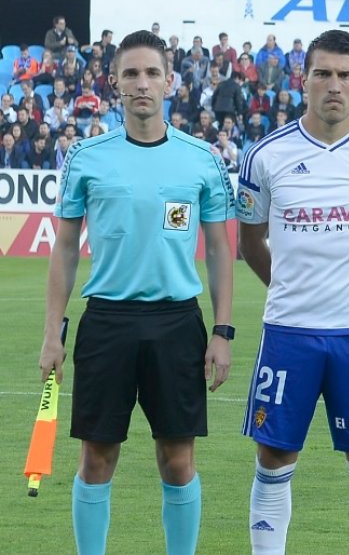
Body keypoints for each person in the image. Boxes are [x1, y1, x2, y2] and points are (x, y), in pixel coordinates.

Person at [38, 30, 235, 555]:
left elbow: (218, 249)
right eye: (131, 74)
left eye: (152, 73)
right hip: (107, 323)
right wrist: (53, 333)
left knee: (178, 460)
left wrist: (221, 331)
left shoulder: (201, 158)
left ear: (170, 82)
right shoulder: (86, 156)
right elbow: (63, 249)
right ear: (114, 84)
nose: (142, 83)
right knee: (97, 458)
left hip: (177, 323)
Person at [237, 30, 349, 555]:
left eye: (345, 75)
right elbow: (252, 239)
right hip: (289, 333)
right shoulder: (264, 157)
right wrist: (295, 288)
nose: (333, 85)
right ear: (304, 80)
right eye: (323, 74)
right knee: (273, 459)